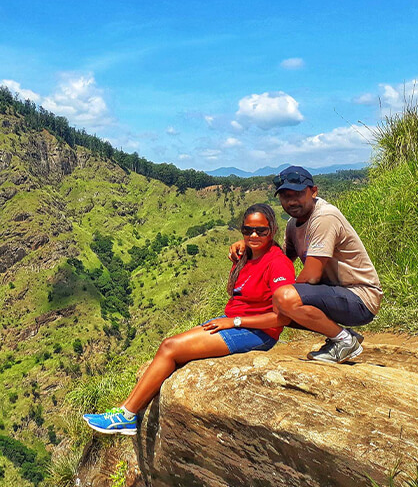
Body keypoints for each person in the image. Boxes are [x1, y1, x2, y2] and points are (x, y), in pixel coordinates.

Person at [83, 203, 293, 436]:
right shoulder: (247, 254)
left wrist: (235, 323)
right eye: (248, 230)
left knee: (170, 347)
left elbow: (281, 318)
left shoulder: (278, 263)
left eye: (261, 231)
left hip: (257, 331)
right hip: (234, 319)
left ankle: (127, 417)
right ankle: (123, 411)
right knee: (171, 346)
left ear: (272, 230)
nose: (254, 235)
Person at [230, 166, 382, 364]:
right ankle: (340, 335)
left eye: (299, 194)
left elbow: (311, 276)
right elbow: (278, 258)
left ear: (314, 191)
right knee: (281, 301)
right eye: (285, 196)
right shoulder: (294, 224)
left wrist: (284, 298)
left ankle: (344, 341)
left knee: (283, 299)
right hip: (335, 294)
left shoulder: (324, 217)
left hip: (360, 298)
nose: (292, 201)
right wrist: (250, 242)